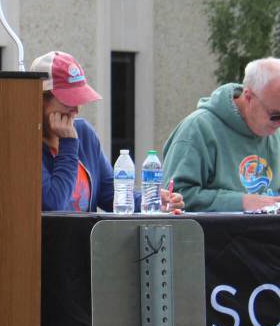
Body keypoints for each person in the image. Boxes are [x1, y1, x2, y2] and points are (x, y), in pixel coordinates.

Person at [34, 50, 183, 213]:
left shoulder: (84, 133)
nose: (76, 109)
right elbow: (52, 205)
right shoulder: (26, 143)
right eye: (69, 100)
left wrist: (149, 202)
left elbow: (110, 195)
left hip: (86, 237)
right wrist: (68, 146)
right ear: (40, 98)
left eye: (80, 100)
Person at [162, 57, 280, 212]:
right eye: (275, 116)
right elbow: (174, 198)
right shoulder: (198, 129)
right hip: (215, 235)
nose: (279, 124)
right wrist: (243, 202)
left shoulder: (275, 133)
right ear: (249, 97)